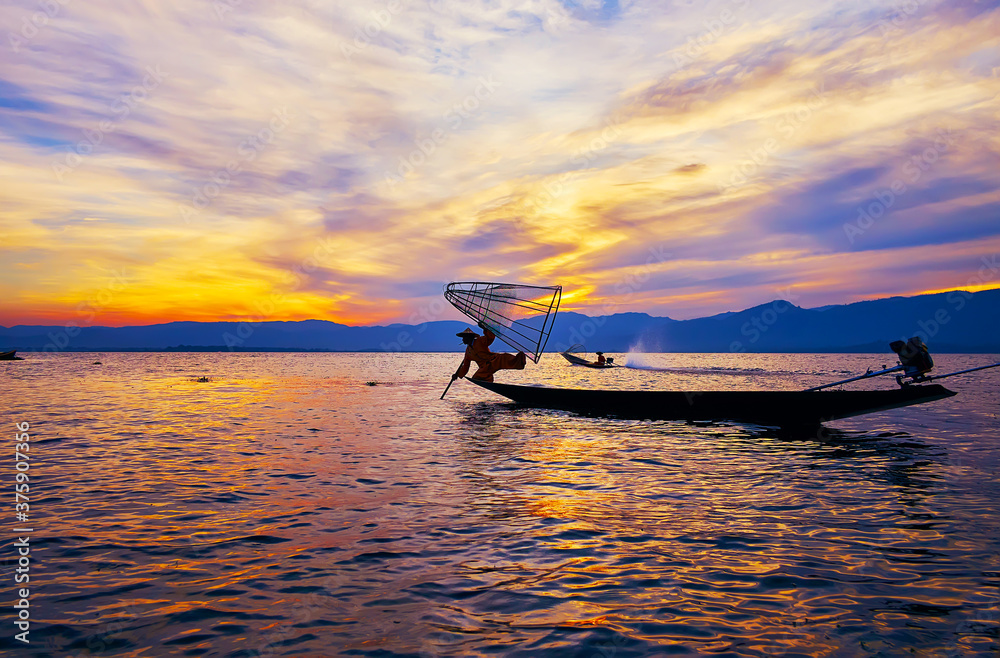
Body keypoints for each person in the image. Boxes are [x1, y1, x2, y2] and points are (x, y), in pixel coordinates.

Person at [452, 322, 527, 383]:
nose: (462, 340)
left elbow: (490, 337)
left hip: (494, 360)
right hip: (485, 368)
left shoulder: (480, 340)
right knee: (477, 377)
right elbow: (465, 366)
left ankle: (521, 359)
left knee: (508, 359)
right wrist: (457, 374)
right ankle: (488, 381)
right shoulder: (468, 352)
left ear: (469, 337)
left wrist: (484, 328)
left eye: (464, 338)